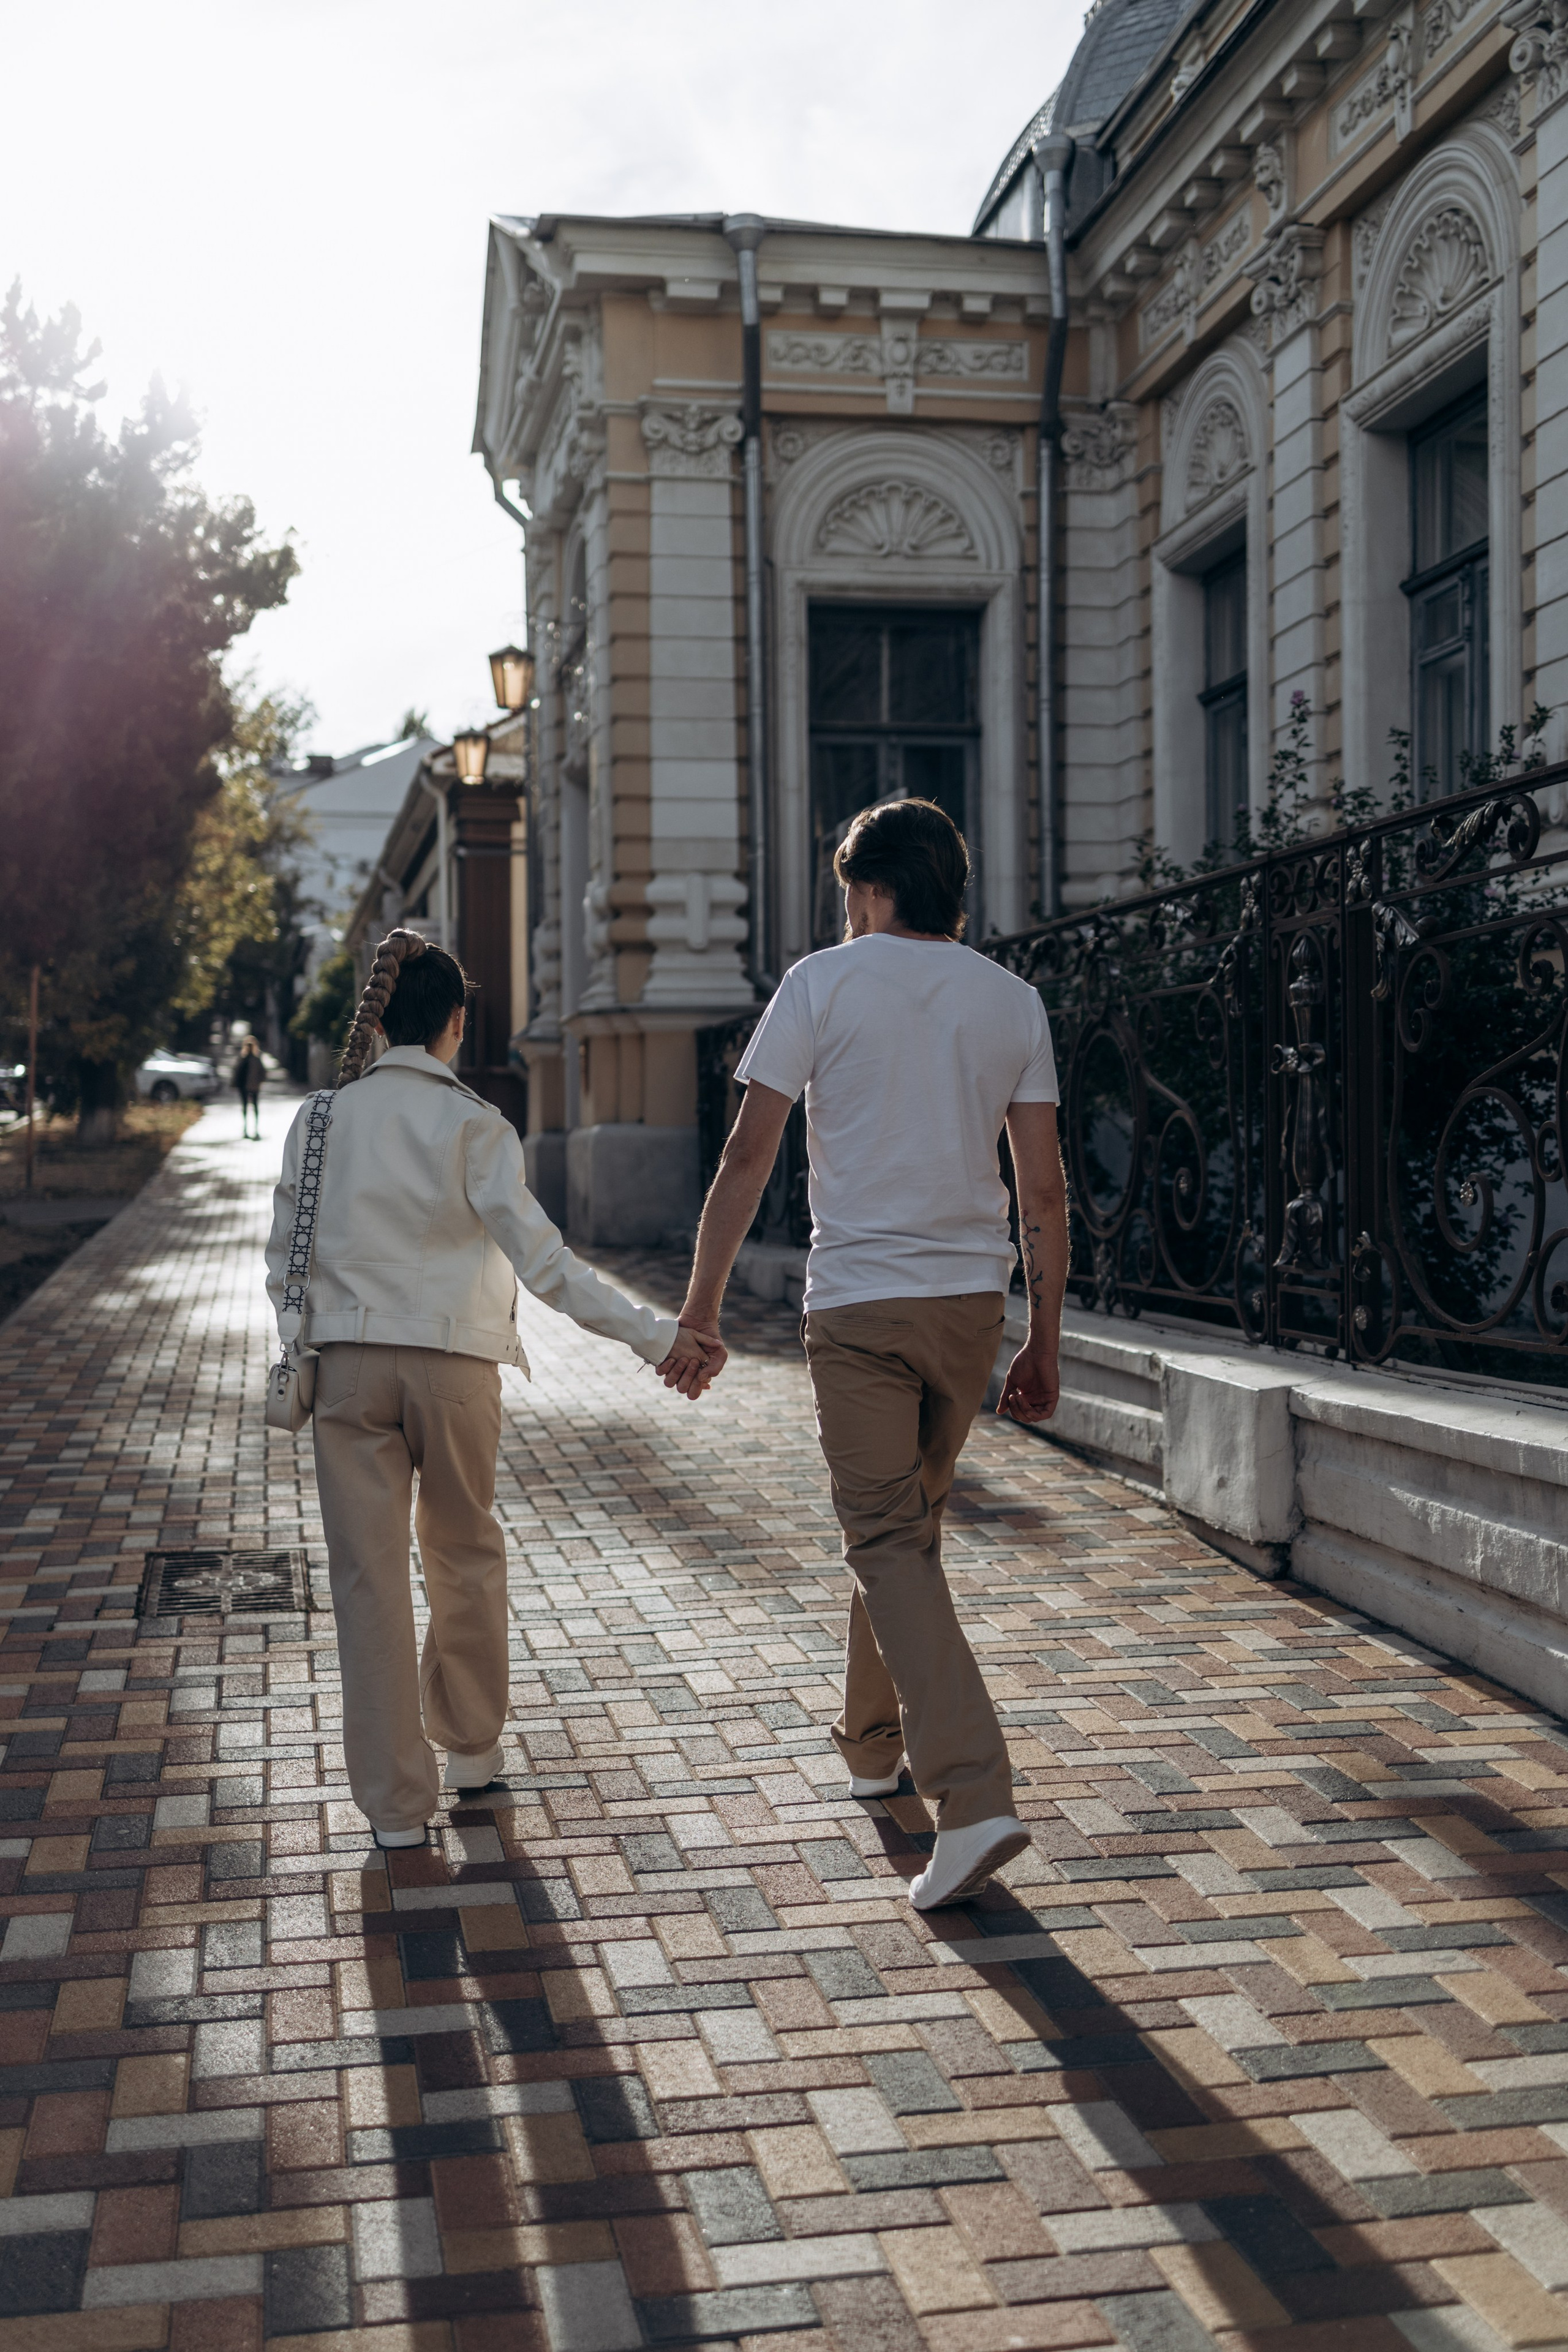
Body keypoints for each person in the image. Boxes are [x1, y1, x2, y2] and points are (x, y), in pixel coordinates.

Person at [674, 800, 1069, 1910]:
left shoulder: (821, 984)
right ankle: (869, 1741)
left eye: (849, 889)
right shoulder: (1012, 1000)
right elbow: (1042, 1190)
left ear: (871, 886)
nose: (845, 908)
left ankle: (973, 1795)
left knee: (887, 1538)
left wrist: (701, 1311)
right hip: (968, 1308)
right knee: (907, 1527)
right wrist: (1043, 1339)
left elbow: (748, 1156)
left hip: (858, 1307)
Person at [266, 929, 720, 1849]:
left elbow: (284, 1263)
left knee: (367, 1580)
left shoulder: (317, 1120)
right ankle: (471, 1747)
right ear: (457, 1024)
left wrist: (306, 1337)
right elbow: (548, 1267)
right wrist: (660, 1338)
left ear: (378, 1021)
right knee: (464, 1551)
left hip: (347, 1369)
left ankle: (395, 1810)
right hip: (457, 1370)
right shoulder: (476, 1125)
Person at [234, 1035, 264, 1139]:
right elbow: (237, 1072)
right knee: (245, 1108)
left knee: (255, 1108)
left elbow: (263, 1073)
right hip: (244, 1087)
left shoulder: (256, 1059)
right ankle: (245, 1129)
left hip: (254, 1087)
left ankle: (256, 1130)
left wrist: (258, 1082)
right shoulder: (242, 1059)